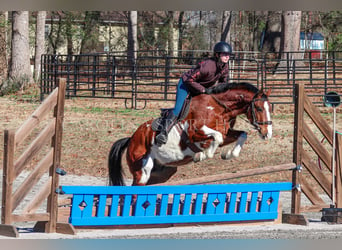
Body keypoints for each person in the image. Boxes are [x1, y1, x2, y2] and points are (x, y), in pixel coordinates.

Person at [155, 41, 233, 146]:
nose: (227, 57)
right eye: (224, 54)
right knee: (178, 109)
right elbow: (189, 80)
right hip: (185, 85)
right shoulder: (207, 66)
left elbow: (223, 83)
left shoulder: (225, 67)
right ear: (217, 55)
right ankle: (163, 132)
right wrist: (203, 90)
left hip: (200, 87)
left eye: (228, 55)